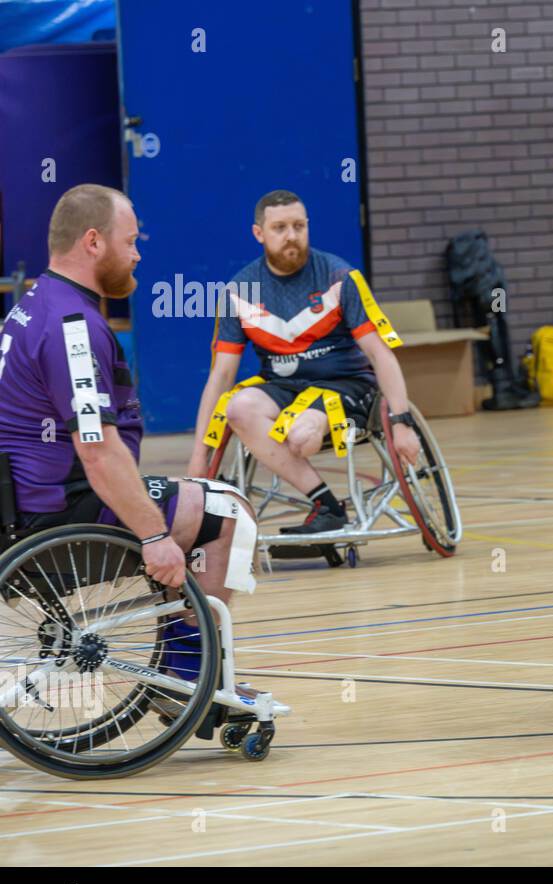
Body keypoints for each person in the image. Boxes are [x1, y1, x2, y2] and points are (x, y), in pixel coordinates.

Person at [0, 184, 257, 709]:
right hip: (56, 515)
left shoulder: (33, 303)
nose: (138, 253)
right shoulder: (72, 326)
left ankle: (182, 674)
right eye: (131, 240)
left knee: (194, 496)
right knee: (224, 510)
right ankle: (188, 683)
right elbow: (97, 451)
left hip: (29, 501)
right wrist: (154, 533)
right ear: (93, 242)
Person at [186, 190, 420, 534]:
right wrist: (198, 455)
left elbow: (379, 353)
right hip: (285, 388)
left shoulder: (341, 278)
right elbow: (220, 376)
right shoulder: (239, 292)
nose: (291, 235)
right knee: (238, 408)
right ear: (259, 234)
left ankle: (322, 497)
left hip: (345, 387)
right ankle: (326, 505)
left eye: (298, 226)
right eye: (279, 227)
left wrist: (402, 422)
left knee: (301, 435)